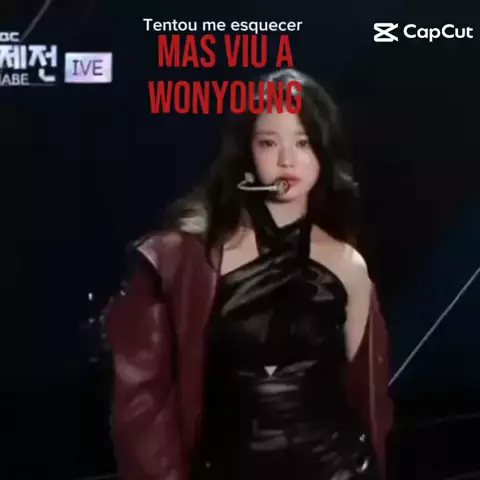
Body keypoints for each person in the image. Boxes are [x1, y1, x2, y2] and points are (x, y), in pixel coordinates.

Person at [104, 68, 393, 480]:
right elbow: (142, 408)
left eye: (303, 142)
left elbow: (364, 393)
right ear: (246, 150)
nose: (287, 160)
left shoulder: (347, 264)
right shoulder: (185, 260)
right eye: (269, 142)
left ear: (323, 151)